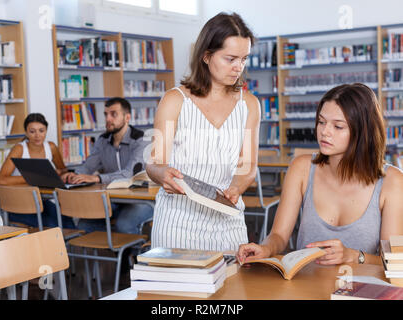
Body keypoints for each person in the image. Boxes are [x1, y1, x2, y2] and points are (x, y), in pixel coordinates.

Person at [238, 83, 403, 266]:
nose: (324, 132)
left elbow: (394, 262)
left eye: (338, 126)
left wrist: (353, 256)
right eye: (322, 122)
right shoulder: (302, 168)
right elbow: (278, 235)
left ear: (362, 132)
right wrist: (266, 248)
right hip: (306, 285)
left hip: (358, 290)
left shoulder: (392, 182)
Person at [146, 12, 261, 251]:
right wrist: (162, 174)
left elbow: (248, 165)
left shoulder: (249, 104)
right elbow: (155, 162)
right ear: (206, 56)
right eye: (230, 59)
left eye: (244, 59)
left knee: (233, 288)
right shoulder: (174, 100)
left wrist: (236, 188)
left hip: (228, 221)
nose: (238, 67)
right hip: (177, 222)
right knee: (178, 289)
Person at [62, 97, 153, 234]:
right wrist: (75, 175)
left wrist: (97, 179)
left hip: (143, 198)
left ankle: (132, 255)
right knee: (85, 224)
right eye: (106, 114)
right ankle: (117, 251)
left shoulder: (141, 140)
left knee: (124, 225)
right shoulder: (103, 140)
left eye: (113, 114)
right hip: (115, 197)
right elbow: (88, 166)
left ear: (127, 117)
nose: (108, 119)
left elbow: (129, 175)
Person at [0, 113, 76, 229]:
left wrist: (62, 174)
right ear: (26, 133)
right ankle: (54, 246)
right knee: (53, 225)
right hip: (18, 203)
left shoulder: (51, 147)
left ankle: (66, 247)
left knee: (68, 222)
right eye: (32, 131)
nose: (37, 136)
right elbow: (2, 180)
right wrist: (35, 178)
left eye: (41, 131)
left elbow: (63, 170)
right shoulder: (19, 149)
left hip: (41, 200)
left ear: (46, 131)